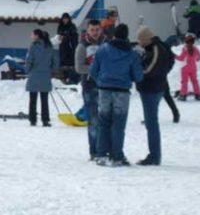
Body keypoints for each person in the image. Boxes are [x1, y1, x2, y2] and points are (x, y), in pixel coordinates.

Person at [89, 24, 143, 166]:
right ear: (127, 36)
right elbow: (138, 76)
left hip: (104, 90)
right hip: (122, 92)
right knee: (118, 125)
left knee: (104, 122)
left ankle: (101, 155)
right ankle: (116, 156)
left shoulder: (103, 49)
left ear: (114, 35)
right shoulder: (132, 54)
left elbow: (93, 71)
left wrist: (101, 81)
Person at [135, 26, 174, 166]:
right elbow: (171, 60)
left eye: (140, 40)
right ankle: (154, 155)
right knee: (151, 122)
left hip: (152, 89)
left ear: (146, 39)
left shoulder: (157, 49)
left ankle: (154, 156)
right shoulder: (157, 46)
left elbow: (149, 69)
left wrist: (137, 74)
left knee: (151, 124)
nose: (139, 42)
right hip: (155, 87)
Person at [75, 20, 103, 160]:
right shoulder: (82, 46)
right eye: (92, 30)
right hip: (89, 86)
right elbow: (79, 68)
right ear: (88, 30)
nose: (95, 32)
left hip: (104, 87)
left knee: (104, 120)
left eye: (97, 29)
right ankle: (94, 151)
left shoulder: (105, 44)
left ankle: (103, 148)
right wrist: (96, 70)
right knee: (93, 120)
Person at [25, 29, 57, 127]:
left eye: (32, 34)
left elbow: (29, 60)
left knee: (33, 99)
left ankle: (33, 119)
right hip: (45, 76)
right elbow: (55, 62)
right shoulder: (50, 47)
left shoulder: (33, 47)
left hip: (34, 75)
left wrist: (27, 70)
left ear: (37, 36)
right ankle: (45, 120)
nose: (31, 36)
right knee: (45, 100)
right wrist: (50, 70)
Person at [175, 34, 200, 100]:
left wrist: (174, 56)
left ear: (185, 41)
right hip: (193, 68)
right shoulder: (196, 49)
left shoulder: (185, 49)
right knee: (195, 81)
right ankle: (198, 95)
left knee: (184, 82)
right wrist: (194, 59)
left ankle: (183, 95)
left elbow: (181, 58)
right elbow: (199, 58)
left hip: (185, 68)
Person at [57, 13, 79, 84]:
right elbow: (58, 36)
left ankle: (71, 79)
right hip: (63, 48)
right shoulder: (60, 26)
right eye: (64, 19)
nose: (65, 20)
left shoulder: (72, 26)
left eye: (67, 19)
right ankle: (64, 79)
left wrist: (66, 37)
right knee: (63, 64)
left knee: (71, 64)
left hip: (71, 48)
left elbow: (74, 37)